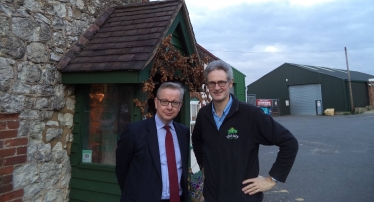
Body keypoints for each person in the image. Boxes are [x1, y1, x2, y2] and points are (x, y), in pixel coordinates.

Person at [192, 60, 298, 202]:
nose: (217, 87)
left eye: (221, 82)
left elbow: (289, 142)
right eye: (212, 83)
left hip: (243, 197)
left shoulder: (251, 114)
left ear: (230, 83)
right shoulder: (203, 115)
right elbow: (198, 141)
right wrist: (205, 167)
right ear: (207, 85)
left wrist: (271, 179)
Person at [116, 82, 190, 202]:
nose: (169, 107)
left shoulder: (183, 132)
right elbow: (121, 169)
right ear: (156, 102)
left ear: (180, 105)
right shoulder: (134, 131)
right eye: (164, 101)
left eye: (175, 103)